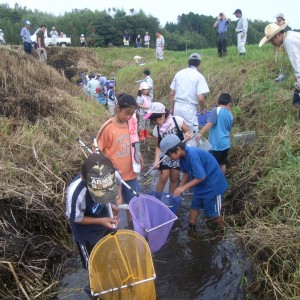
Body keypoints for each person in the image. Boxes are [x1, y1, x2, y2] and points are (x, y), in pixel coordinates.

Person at [160, 134, 228, 230]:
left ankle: (223, 231)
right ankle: (192, 228)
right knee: (194, 206)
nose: (169, 157)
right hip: (200, 185)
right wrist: (180, 186)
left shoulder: (192, 154)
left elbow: (201, 176)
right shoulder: (182, 157)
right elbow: (186, 172)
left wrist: (183, 188)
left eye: (169, 154)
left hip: (213, 186)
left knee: (213, 214)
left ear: (178, 149)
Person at [65, 154, 120, 270]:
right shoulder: (76, 192)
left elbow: (119, 182)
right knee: (94, 266)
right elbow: (74, 218)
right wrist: (101, 221)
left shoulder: (110, 173)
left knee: (109, 254)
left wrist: (115, 204)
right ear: (83, 178)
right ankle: (94, 286)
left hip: (104, 223)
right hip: (86, 234)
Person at [96, 94, 142, 224]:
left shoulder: (132, 123)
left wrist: (139, 156)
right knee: (115, 206)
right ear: (118, 109)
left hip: (131, 173)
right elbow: (97, 149)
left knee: (133, 204)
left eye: (131, 114)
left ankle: (132, 229)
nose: (129, 116)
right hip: (114, 176)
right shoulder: (108, 127)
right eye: (126, 113)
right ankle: (114, 230)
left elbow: (134, 140)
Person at [144, 103, 191, 194]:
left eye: (155, 120)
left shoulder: (177, 121)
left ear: (163, 115)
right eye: (152, 121)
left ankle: (171, 199)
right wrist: (156, 160)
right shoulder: (157, 129)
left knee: (174, 178)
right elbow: (158, 146)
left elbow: (187, 130)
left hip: (177, 154)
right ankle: (157, 200)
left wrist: (187, 134)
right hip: (165, 155)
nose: (154, 123)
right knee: (163, 177)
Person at [259, 23, 300, 120]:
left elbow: (297, 61)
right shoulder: (290, 35)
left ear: (278, 35)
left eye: (272, 40)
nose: (272, 43)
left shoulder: (288, 41)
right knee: (297, 94)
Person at [169, 53, 210, 138]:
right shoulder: (199, 76)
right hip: (189, 109)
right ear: (199, 64)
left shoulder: (179, 74)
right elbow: (201, 98)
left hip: (177, 107)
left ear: (188, 62)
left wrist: (171, 108)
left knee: (178, 134)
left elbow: (172, 93)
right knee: (191, 136)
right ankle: (190, 151)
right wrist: (202, 109)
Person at [196, 93, 233, 174]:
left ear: (218, 102)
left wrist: (200, 134)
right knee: (222, 163)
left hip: (216, 144)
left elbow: (210, 123)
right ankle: (221, 181)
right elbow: (229, 129)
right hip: (226, 144)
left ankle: (212, 182)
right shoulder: (230, 114)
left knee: (212, 164)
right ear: (229, 104)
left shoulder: (216, 110)